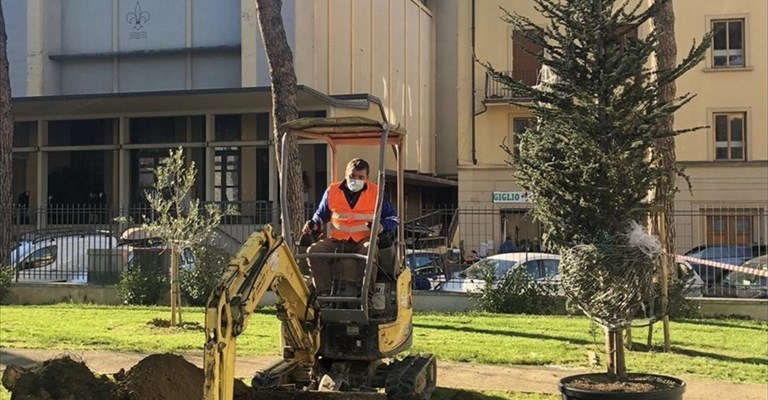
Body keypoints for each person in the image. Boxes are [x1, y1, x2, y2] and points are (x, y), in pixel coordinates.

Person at [303, 158, 399, 295]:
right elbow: (321, 216)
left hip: (363, 240)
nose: (356, 180)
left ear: (366, 178)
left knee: (369, 251)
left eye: (360, 177)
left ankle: (365, 296)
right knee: (314, 251)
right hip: (337, 240)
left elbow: (394, 218)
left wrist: (382, 226)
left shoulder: (376, 193)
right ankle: (323, 295)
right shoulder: (332, 190)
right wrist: (313, 225)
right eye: (352, 176)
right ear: (346, 174)